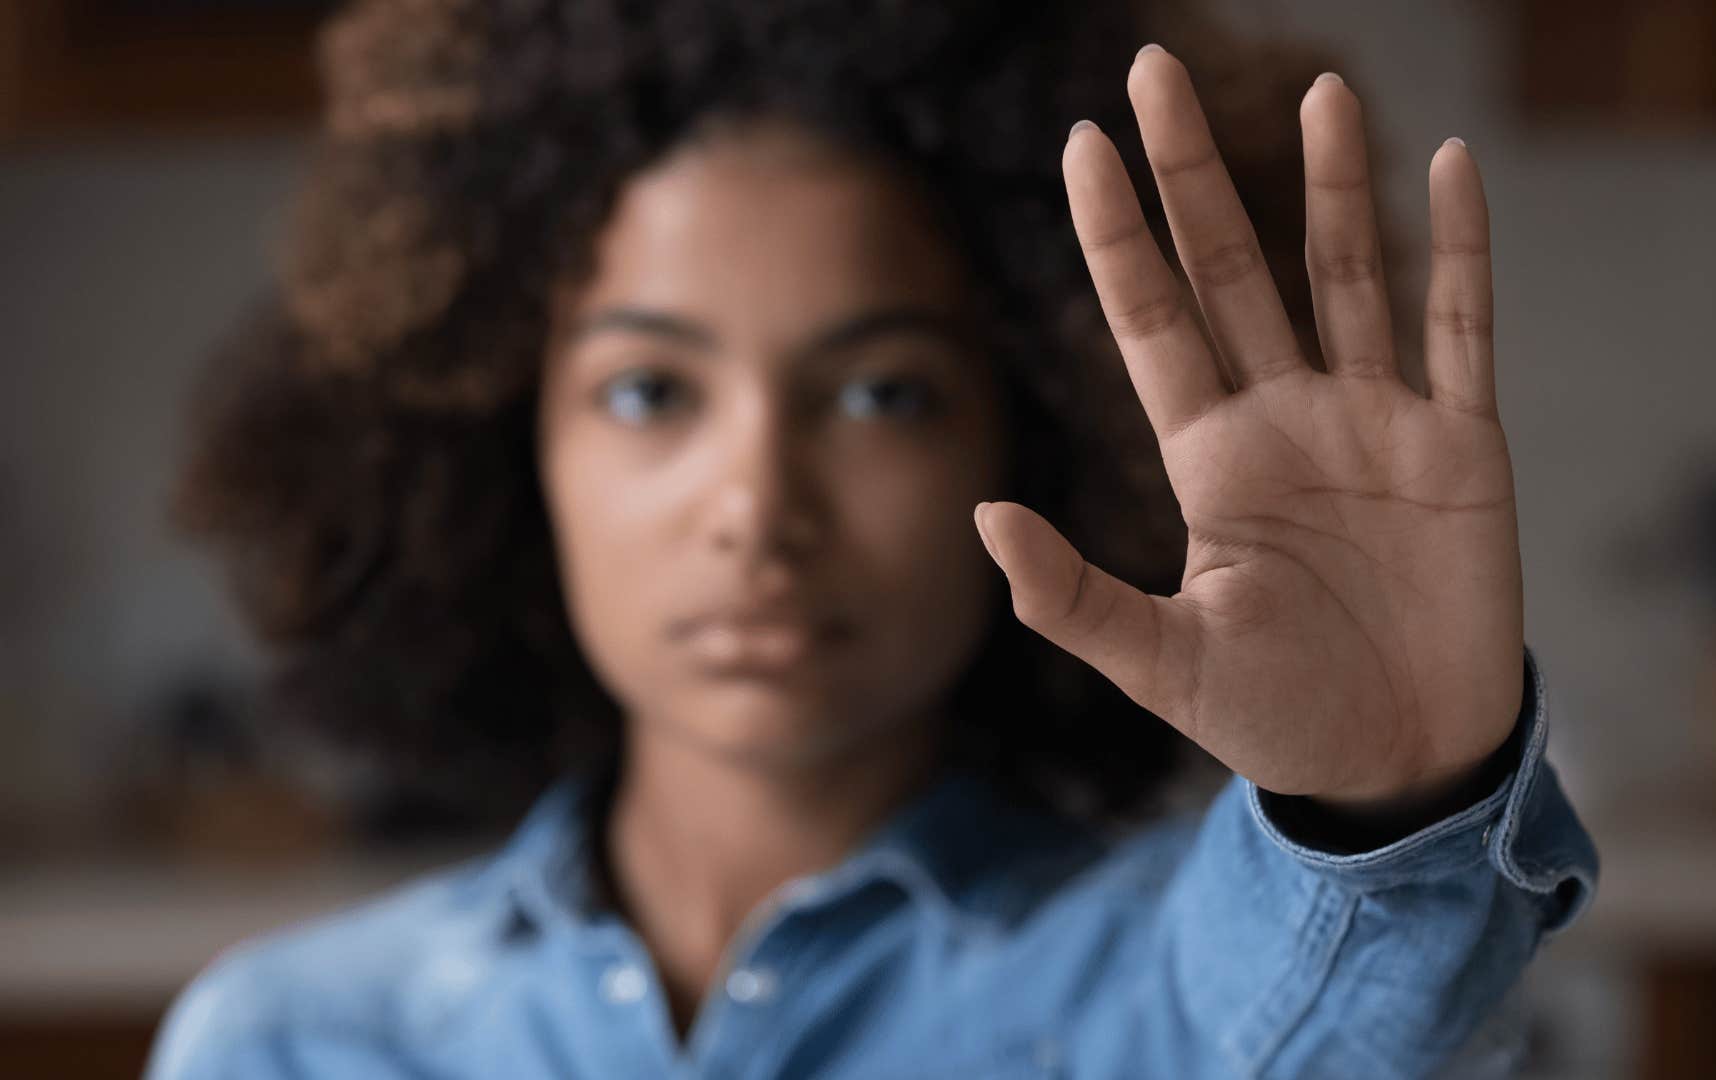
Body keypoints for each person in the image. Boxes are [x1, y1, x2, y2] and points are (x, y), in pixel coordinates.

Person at [146, 0, 1597, 1076]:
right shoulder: (291, 1042)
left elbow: (1337, 1019)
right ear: (500, 446)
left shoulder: (1170, 991)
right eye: (650, 391)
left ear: (1032, 433)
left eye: (880, 392)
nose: (758, 506)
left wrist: (1390, 808)